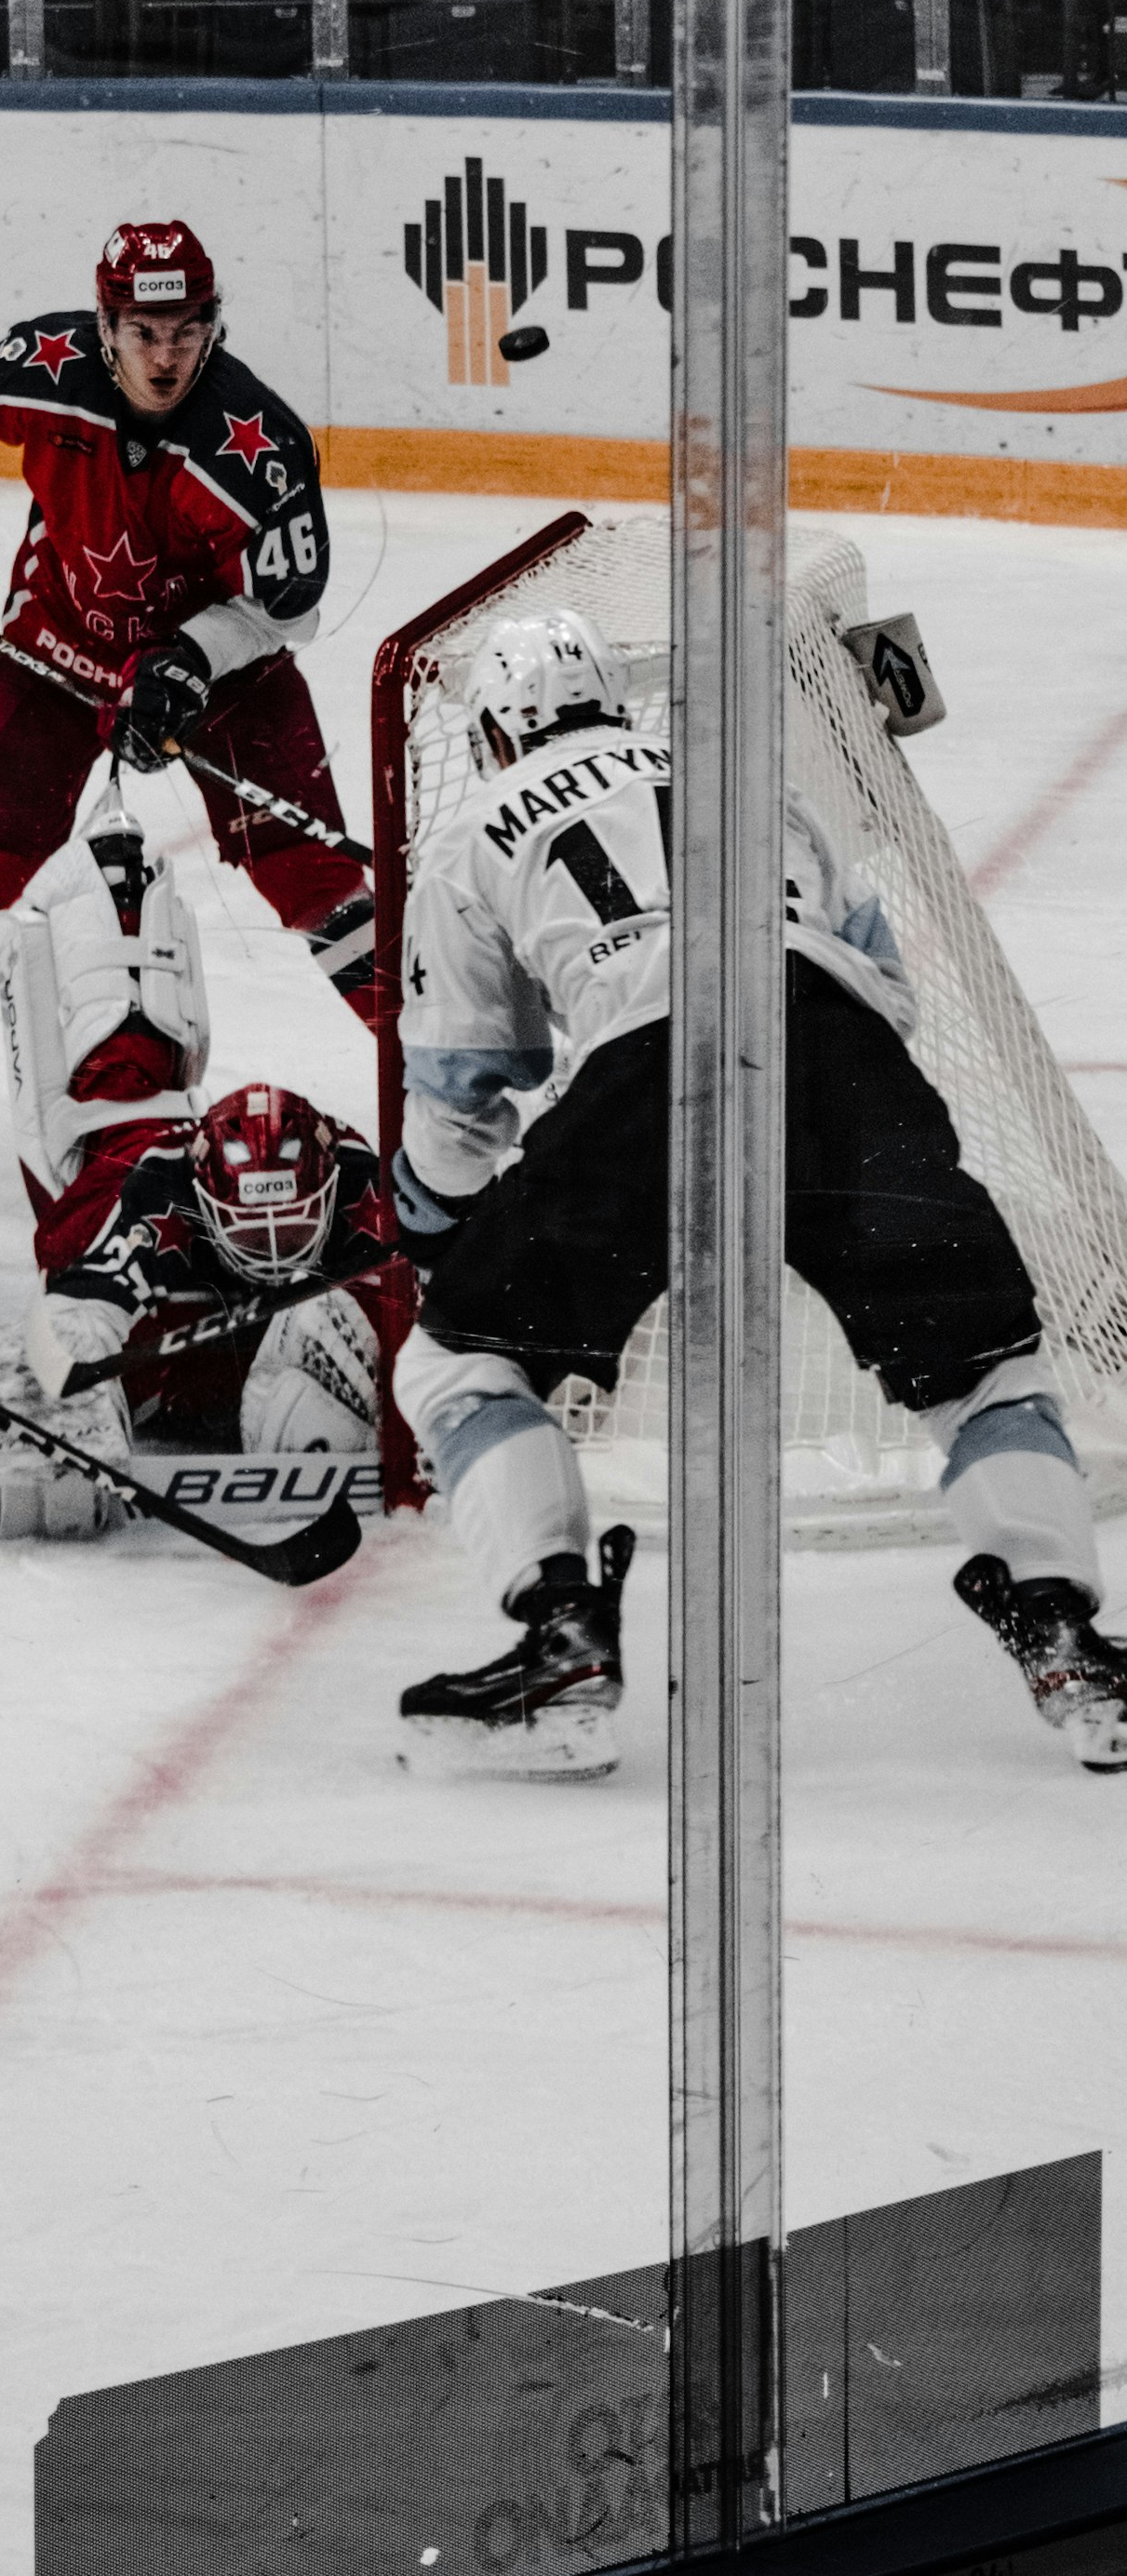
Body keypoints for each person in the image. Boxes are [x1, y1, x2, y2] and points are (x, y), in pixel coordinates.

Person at [389, 609, 1127, 1779]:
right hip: (840, 1057)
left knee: (457, 1363)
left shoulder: (479, 822)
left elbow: (460, 1086)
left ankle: (562, 1635)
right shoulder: (755, 772)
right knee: (983, 1363)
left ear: (492, 730)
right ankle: (1065, 1636)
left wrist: (433, 1230)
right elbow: (885, 984)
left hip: (644, 1077)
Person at [0, 217, 375, 1198]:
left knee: (309, 871)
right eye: (142, 333)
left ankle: (436, 1071)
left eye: (186, 332)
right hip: (57, 635)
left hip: (223, 665)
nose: (165, 358)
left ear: (212, 324)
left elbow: (287, 607)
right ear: (106, 325)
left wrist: (194, 658)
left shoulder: (259, 445)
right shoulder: (42, 366)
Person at [0, 782, 385, 1535]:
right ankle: (87, 904)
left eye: (287, 1231)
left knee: (336, 1324)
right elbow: (85, 1299)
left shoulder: (355, 1178)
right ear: (207, 1202)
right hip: (170, 1363)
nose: (275, 1256)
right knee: (113, 1098)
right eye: (253, 1235)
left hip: (242, 1372)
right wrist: (59, 1379)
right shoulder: (162, 1190)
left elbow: (442, 1287)